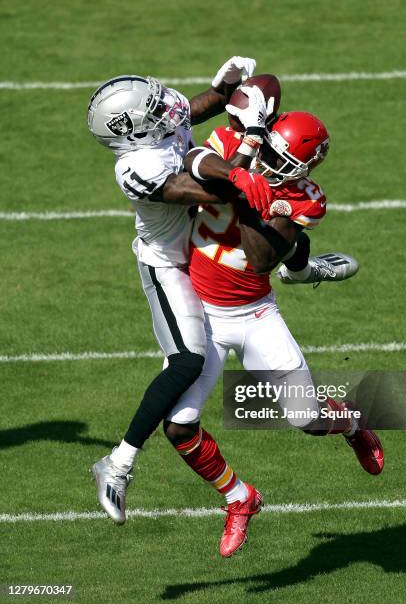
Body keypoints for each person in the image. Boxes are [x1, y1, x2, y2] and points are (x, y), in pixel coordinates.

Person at [161, 109, 384, 557]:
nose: (266, 162)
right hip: (199, 313)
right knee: (178, 427)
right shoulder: (238, 144)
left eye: (279, 160)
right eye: (267, 151)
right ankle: (239, 498)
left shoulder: (306, 199)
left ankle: (353, 421)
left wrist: (246, 198)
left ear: (301, 169)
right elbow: (192, 159)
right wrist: (238, 173)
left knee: (307, 420)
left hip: (254, 315)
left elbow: (261, 257)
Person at [87, 58, 274, 524]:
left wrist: (224, 86)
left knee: (264, 255)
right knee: (187, 362)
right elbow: (221, 190)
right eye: (152, 111)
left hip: (202, 252)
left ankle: (302, 265)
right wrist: (250, 136)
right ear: (131, 133)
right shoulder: (137, 166)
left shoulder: (153, 130)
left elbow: (194, 109)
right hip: (170, 266)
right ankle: (118, 463)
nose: (166, 112)